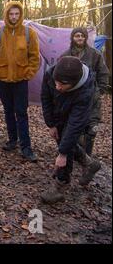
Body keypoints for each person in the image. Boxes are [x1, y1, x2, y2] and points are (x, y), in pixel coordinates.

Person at [40, 56, 101, 204]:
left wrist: (62, 153)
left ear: (74, 83)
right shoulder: (51, 73)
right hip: (59, 112)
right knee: (64, 140)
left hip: (76, 117)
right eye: (56, 82)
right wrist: (51, 124)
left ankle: (60, 185)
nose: (57, 87)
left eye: (63, 84)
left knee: (65, 144)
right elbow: (45, 97)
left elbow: (74, 126)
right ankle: (89, 163)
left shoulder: (85, 92)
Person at [0, 1, 40, 161]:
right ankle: (12, 140)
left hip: (20, 79)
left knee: (21, 112)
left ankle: (26, 147)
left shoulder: (29, 33)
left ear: (21, 14)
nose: (14, 17)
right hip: (2, 79)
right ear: (6, 15)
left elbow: (34, 56)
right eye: (11, 14)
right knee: (8, 110)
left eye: (17, 14)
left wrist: (28, 73)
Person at [61, 27, 110, 157]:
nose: (80, 38)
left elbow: (103, 73)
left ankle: (87, 156)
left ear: (86, 38)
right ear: (72, 38)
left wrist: (99, 90)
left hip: (91, 98)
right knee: (73, 125)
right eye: (77, 36)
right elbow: (59, 75)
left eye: (82, 36)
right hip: (72, 97)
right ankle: (74, 154)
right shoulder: (66, 56)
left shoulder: (95, 54)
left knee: (91, 128)